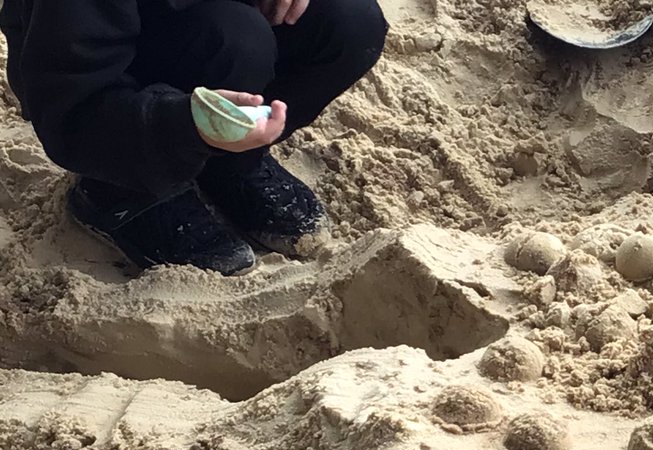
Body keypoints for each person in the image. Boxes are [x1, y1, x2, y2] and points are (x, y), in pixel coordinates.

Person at [0, 0, 388, 275]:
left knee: (350, 22)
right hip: (91, 68)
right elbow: (71, 109)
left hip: (198, 21)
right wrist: (182, 126)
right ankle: (117, 191)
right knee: (237, 40)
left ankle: (230, 161)